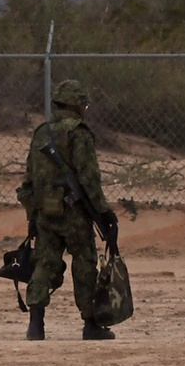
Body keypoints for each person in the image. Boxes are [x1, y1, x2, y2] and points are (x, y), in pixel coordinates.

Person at [16, 79, 120, 341]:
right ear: (76, 104)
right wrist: (104, 212)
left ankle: (35, 324)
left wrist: (33, 213)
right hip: (73, 213)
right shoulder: (79, 133)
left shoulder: (42, 132)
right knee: (84, 263)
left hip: (44, 212)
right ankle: (90, 323)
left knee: (44, 263)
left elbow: (30, 178)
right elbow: (89, 178)